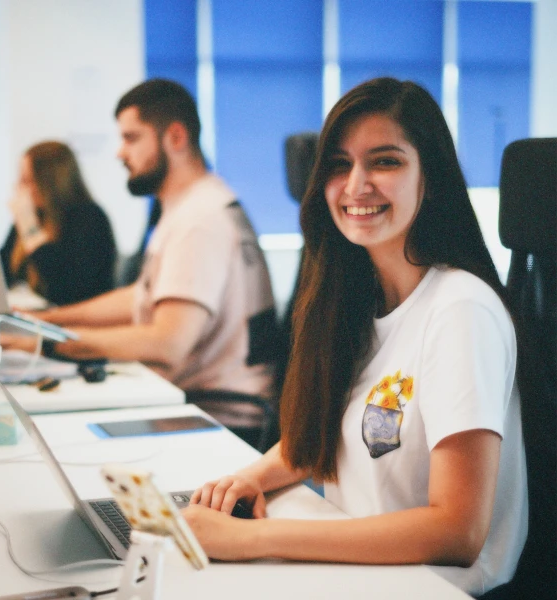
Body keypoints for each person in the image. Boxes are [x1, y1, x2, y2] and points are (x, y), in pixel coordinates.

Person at [184, 78, 527, 597]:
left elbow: (457, 531)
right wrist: (251, 479)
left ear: (428, 176)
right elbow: (328, 435)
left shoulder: (460, 310)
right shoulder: (358, 303)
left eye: (384, 161)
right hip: (363, 578)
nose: (355, 185)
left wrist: (252, 541)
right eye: (339, 164)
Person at [3, 79, 278, 397]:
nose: (120, 153)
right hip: (194, 396)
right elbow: (142, 296)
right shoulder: (192, 205)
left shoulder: (199, 220)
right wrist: (45, 319)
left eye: (131, 138)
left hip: (218, 410)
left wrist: (40, 341)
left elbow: (167, 343)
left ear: (175, 137)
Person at [0, 141, 116, 306]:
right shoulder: (35, 216)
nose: (20, 188)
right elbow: (2, 274)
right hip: (32, 319)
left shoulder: (89, 218)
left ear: (50, 183)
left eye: (27, 180)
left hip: (75, 324)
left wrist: (30, 230)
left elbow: (68, 291)